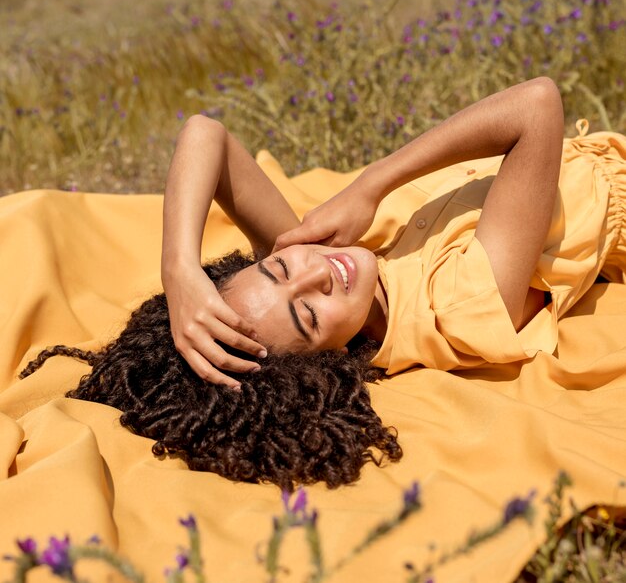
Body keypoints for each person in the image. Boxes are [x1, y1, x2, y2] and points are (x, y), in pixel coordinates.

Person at [20, 77, 626, 489]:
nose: (315, 272)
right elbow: (538, 103)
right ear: (319, 366)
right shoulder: (455, 306)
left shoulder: (329, 275)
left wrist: (179, 269)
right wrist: (372, 183)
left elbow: (207, 134)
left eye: (277, 267)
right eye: (307, 314)